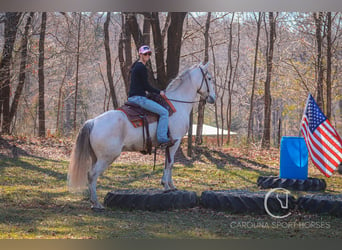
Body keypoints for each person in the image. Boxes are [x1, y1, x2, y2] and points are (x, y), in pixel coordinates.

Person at [128, 45, 176, 148]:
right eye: (145, 54)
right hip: (139, 98)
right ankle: (162, 139)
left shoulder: (137, 66)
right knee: (164, 112)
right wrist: (159, 92)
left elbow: (142, 86)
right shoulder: (141, 67)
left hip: (135, 97)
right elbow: (146, 86)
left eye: (149, 54)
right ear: (140, 54)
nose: (148, 56)